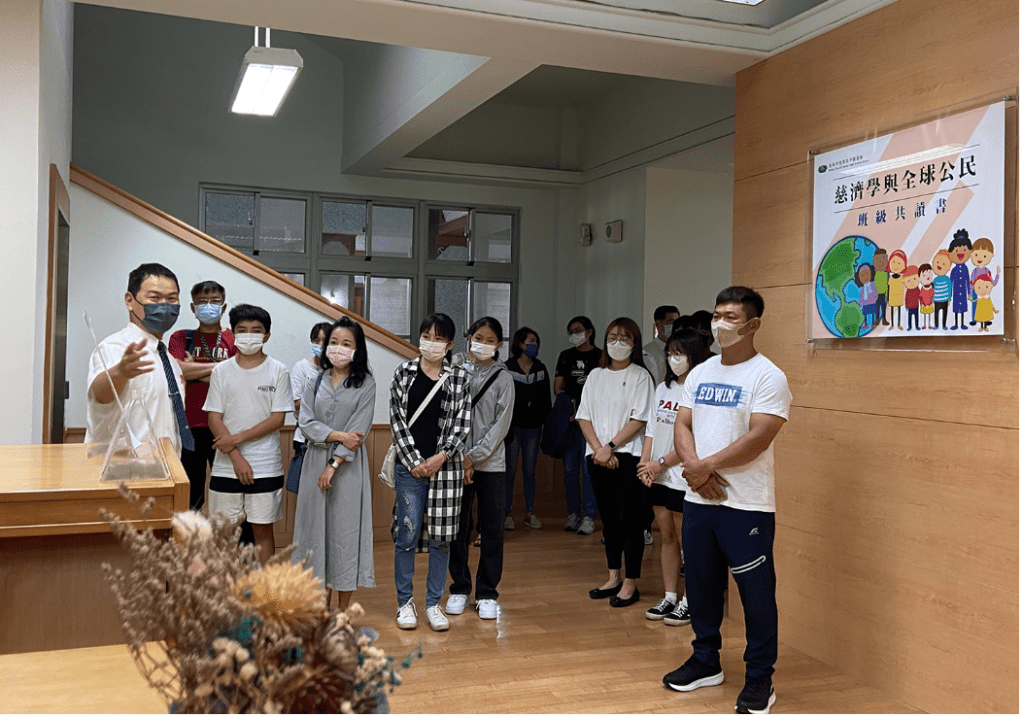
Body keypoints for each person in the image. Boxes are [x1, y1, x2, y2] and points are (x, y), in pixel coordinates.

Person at [663, 286, 791, 716]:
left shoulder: (767, 376)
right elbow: (682, 424)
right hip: (699, 500)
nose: (720, 324)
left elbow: (759, 436)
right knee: (701, 585)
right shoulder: (701, 372)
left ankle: (760, 679)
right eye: (717, 315)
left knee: (756, 594)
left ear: (753, 324)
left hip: (746, 504)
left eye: (731, 317)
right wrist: (695, 469)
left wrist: (705, 467)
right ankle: (705, 660)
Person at [389, 313, 472, 632]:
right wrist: (414, 461)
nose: (431, 343)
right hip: (409, 470)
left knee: (442, 538)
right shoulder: (404, 372)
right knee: (407, 536)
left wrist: (440, 458)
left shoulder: (459, 377)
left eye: (439, 338)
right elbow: (396, 420)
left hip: (446, 470)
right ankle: (404, 603)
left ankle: (433, 604)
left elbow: (462, 425)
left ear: (449, 344)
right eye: (426, 336)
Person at [293, 317, 376, 611]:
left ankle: (341, 612)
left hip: (348, 467)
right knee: (314, 533)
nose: (338, 348)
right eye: (334, 342)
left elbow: (359, 429)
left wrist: (334, 464)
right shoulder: (314, 380)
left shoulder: (366, 383)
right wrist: (339, 435)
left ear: (357, 348)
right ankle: (320, 609)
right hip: (314, 460)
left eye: (346, 343)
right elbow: (305, 422)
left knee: (344, 534)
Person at [204, 304, 292, 566]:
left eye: (256, 330)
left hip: (265, 464)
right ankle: (229, 587)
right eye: (242, 330)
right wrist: (235, 456)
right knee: (224, 533)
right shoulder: (221, 371)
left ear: (267, 335)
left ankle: (264, 587)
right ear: (232, 334)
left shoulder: (278, 370)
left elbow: (277, 419)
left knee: (262, 531)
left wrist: (236, 439)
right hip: (225, 465)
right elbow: (213, 418)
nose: (249, 335)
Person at [576, 317, 654, 608]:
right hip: (597, 456)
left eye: (625, 338)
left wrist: (610, 447)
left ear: (634, 343)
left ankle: (631, 583)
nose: (617, 343)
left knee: (630, 521)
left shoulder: (641, 376)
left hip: (628, 456)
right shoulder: (595, 375)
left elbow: (639, 419)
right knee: (608, 520)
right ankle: (613, 577)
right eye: (612, 337)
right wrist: (599, 450)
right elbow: (584, 416)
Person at [637, 328, 712, 627]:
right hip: (658, 475)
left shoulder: (699, 391)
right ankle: (670, 595)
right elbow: (652, 429)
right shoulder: (663, 388)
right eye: (670, 353)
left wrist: (659, 463)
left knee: (686, 541)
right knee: (666, 536)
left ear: (694, 355)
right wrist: (645, 464)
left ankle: (690, 600)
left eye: (679, 353)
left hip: (680, 476)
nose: (673, 359)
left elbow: (691, 438)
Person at [446, 317, 515, 621]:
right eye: (478, 337)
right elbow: (447, 415)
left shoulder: (504, 378)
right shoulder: (454, 370)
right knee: (457, 528)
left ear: (498, 344)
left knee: (492, 530)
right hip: (456, 461)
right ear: (469, 337)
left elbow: (501, 426)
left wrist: (473, 458)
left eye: (490, 340)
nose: (483, 344)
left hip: (491, 464)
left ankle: (487, 592)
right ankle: (459, 587)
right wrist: (460, 456)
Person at [86, 263, 190, 456]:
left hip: (166, 466)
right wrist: (120, 372)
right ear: (129, 300)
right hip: (121, 469)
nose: (164, 305)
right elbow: (99, 396)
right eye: (154, 298)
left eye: (172, 299)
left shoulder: (168, 359)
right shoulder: (115, 348)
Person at [168, 281, 238, 511]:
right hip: (189, 427)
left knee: (228, 493)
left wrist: (193, 371)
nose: (208, 306)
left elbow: (237, 378)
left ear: (224, 307)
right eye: (202, 301)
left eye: (215, 301)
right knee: (190, 496)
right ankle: (190, 534)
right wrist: (221, 368)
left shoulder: (235, 338)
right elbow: (176, 371)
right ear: (192, 307)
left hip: (225, 427)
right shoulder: (181, 337)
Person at [553, 316, 601, 535]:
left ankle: (589, 516)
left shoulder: (600, 356)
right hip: (569, 422)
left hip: (592, 423)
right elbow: (558, 387)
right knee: (570, 470)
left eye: (578, 330)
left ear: (589, 332)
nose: (575, 334)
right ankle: (573, 514)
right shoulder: (565, 356)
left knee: (588, 470)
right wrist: (568, 406)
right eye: (571, 331)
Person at [503, 327, 552, 530]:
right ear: (520, 343)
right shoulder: (507, 367)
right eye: (531, 341)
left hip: (533, 428)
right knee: (509, 471)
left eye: (536, 341)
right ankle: (507, 514)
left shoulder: (540, 368)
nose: (534, 345)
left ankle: (529, 513)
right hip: (513, 427)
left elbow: (546, 399)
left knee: (530, 471)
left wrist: (546, 423)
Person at [290, 322, 333, 460]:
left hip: (332, 435)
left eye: (325, 341)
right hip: (304, 436)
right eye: (316, 340)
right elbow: (295, 403)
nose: (320, 344)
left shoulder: (338, 370)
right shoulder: (301, 367)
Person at [643, 305, 680, 383]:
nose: (675, 326)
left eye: (677, 322)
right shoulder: (646, 353)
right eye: (671, 322)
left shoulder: (682, 351)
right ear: (658, 324)